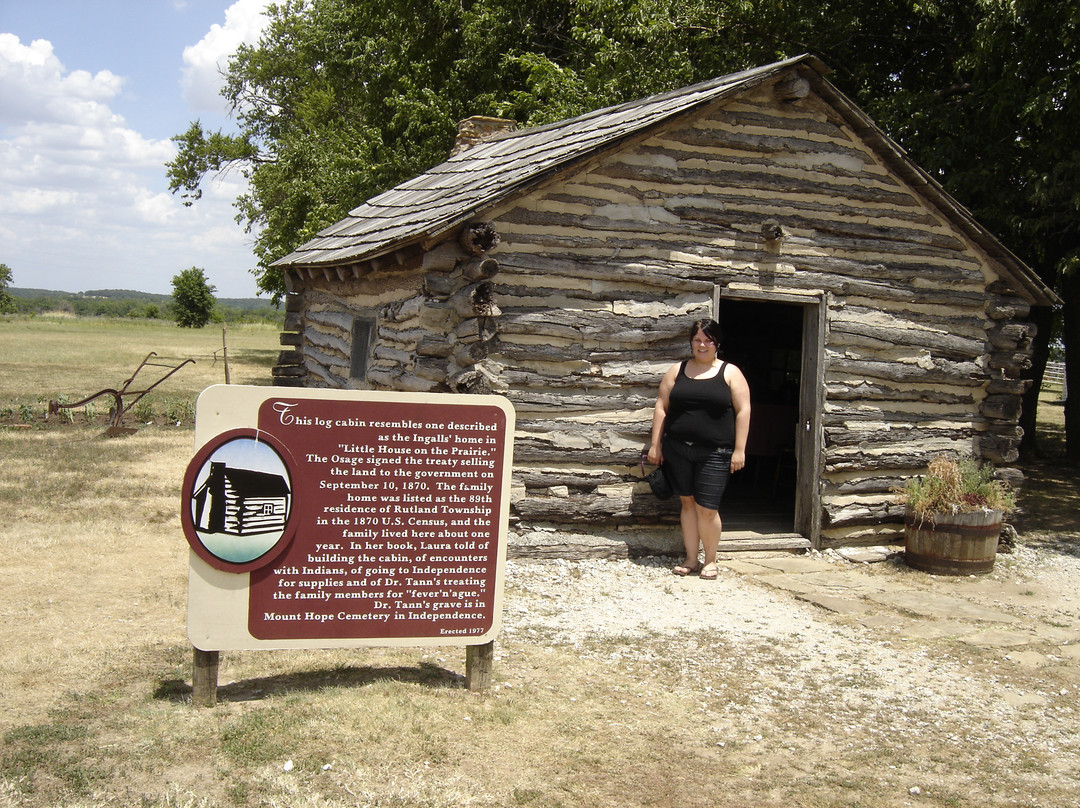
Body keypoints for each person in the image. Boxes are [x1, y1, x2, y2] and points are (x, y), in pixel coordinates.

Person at [647, 318, 751, 580]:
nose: (702, 345)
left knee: (708, 508)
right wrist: (656, 445)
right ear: (691, 343)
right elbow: (662, 406)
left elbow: (743, 411)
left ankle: (711, 560)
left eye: (708, 340)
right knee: (688, 503)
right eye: (697, 340)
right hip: (678, 449)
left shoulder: (730, 372)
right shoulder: (677, 370)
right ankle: (691, 558)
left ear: (717, 343)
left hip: (715, 453)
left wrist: (740, 450)